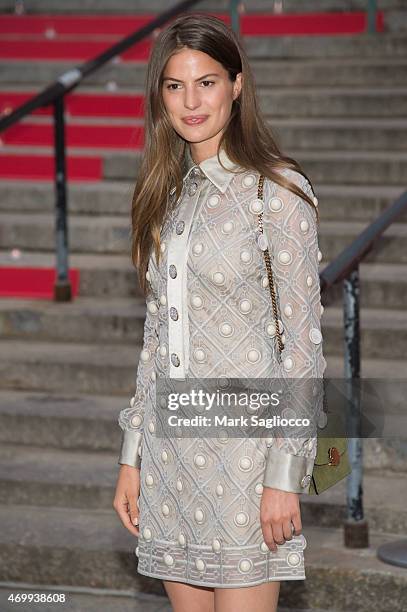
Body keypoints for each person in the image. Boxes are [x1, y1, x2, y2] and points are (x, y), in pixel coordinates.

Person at [113, 13, 326, 612]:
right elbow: (156, 339)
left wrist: (285, 477)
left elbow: (304, 350)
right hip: (170, 456)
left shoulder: (278, 194)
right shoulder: (167, 196)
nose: (191, 101)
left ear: (236, 85)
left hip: (247, 458)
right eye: (175, 86)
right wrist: (131, 457)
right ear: (160, 97)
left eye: (206, 82)